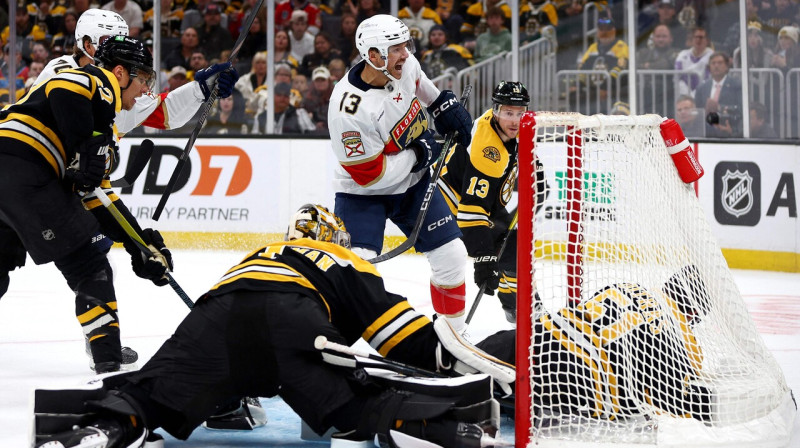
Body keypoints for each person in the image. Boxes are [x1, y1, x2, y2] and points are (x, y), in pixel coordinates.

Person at [32, 204, 516, 448]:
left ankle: (101, 430)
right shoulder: (338, 255)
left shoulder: (256, 255)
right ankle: (460, 433)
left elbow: (239, 332)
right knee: (360, 405)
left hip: (217, 312)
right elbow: (396, 334)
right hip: (293, 320)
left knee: (150, 393)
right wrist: (447, 354)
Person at [0, 36, 171, 376]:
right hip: (25, 171)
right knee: (90, 266)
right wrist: (89, 139)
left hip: (14, 168)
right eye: (144, 80)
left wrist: (140, 245)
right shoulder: (96, 80)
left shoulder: (97, 121)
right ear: (120, 72)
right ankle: (108, 364)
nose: (143, 92)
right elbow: (64, 85)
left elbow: (98, 198)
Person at [327, 15, 474, 332]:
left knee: (452, 255)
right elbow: (371, 175)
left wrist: (440, 105)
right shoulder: (347, 109)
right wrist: (420, 153)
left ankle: (454, 337)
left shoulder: (403, 64)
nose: (405, 53)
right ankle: (345, 344)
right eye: (395, 48)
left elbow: (419, 83)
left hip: (413, 184)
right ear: (373, 55)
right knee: (358, 270)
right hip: (362, 195)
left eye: (405, 45)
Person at [533, 265, 713, 422]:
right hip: (574, 378)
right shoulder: (685, 341)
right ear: (695, 311)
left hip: (539, 337)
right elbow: (670, 401)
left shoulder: (626, 286)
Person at [438, 81, 546, 323]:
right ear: (496, 110)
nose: (515, 120)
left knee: (514, 253)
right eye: (508, 113)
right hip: (453, 204)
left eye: (521, 113)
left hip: (485, 202)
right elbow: (471, 210)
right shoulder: (488, 150)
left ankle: (516, 306)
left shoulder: (512, 127)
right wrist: (484, 257)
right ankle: (522, 308)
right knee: (512, 253)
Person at [693, 51, 742, 138]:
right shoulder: (702, 87)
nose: (716, 66)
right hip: (707, 131)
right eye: (713, 63)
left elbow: (741, 108)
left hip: (729, 129)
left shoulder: (737, 85)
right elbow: (698, 110)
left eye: (720, 63)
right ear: (709, 67)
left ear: (726, 67)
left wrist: (720, 107)